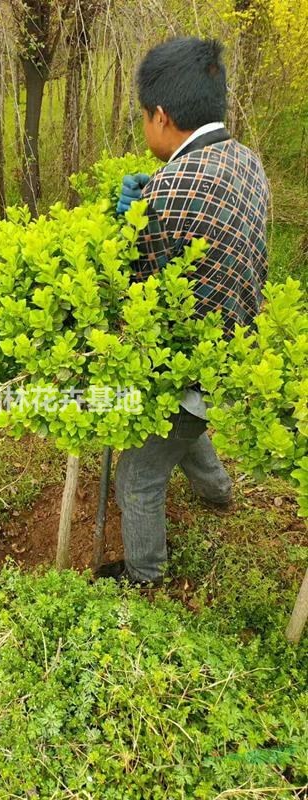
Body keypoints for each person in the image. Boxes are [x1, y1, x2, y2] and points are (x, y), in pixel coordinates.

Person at [96, 37, 270, 588]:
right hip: (234, 348)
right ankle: (217, 492)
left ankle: (145, 576)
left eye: (145, 116)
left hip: (185, 365)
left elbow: (129, 286)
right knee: (187, 423)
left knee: (139, 473)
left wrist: (126, 220)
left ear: (163, 115)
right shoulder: (246, 159)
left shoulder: (167, 190)